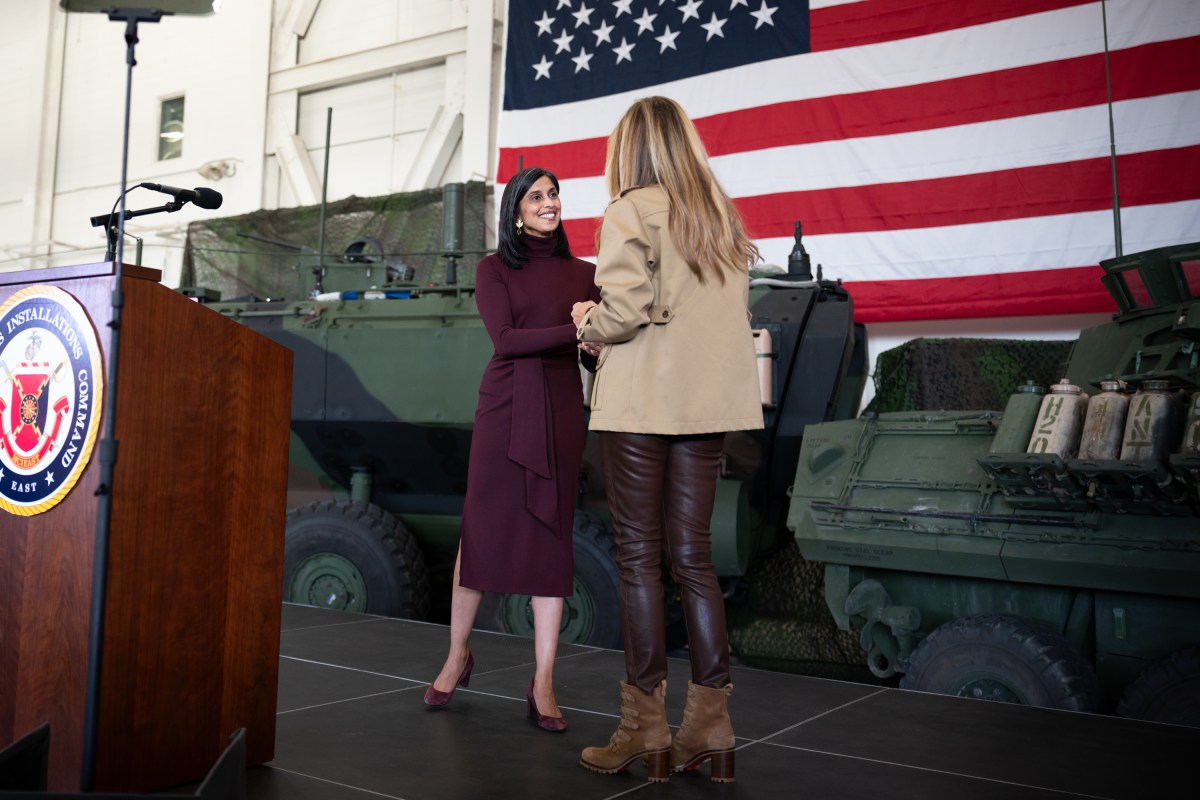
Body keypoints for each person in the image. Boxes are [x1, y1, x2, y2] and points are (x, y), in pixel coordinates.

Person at [572, 96, 763, 783]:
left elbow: (621, 312)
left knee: (637, 561)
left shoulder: (631, 209)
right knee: (694, 562)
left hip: (642, 406)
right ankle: (711, 723)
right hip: (707, 409)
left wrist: (585, 322)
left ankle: (643, 728)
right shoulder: (719, 216)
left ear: (631, 149)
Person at [424, 167, 600, 733]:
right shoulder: (493, 268)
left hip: (561, 409)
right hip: (503, 407)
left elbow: (596, 354)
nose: (550, 203)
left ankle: (543, 679)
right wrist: (575, 331)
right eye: (537, 196)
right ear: (516, 209)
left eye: (554, 195)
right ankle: (458, 655)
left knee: (552, 537)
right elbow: (505, 340)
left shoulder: (586, 274)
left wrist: (596, 342)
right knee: (480, 530)